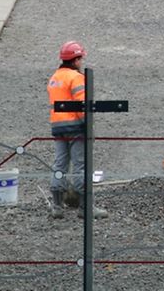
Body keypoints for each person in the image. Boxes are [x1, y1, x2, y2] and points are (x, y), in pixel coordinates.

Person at [47, 40, 106, 220]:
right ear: (75, 60)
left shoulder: (55, 77)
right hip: (75, 128)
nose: (81, 62)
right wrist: (88, 127)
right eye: (80, 58)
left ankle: (57, 207)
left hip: (58, 128)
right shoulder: (76, 78)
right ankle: (85, 208)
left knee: (59, 166)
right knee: (81, 167)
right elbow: (82, 106)